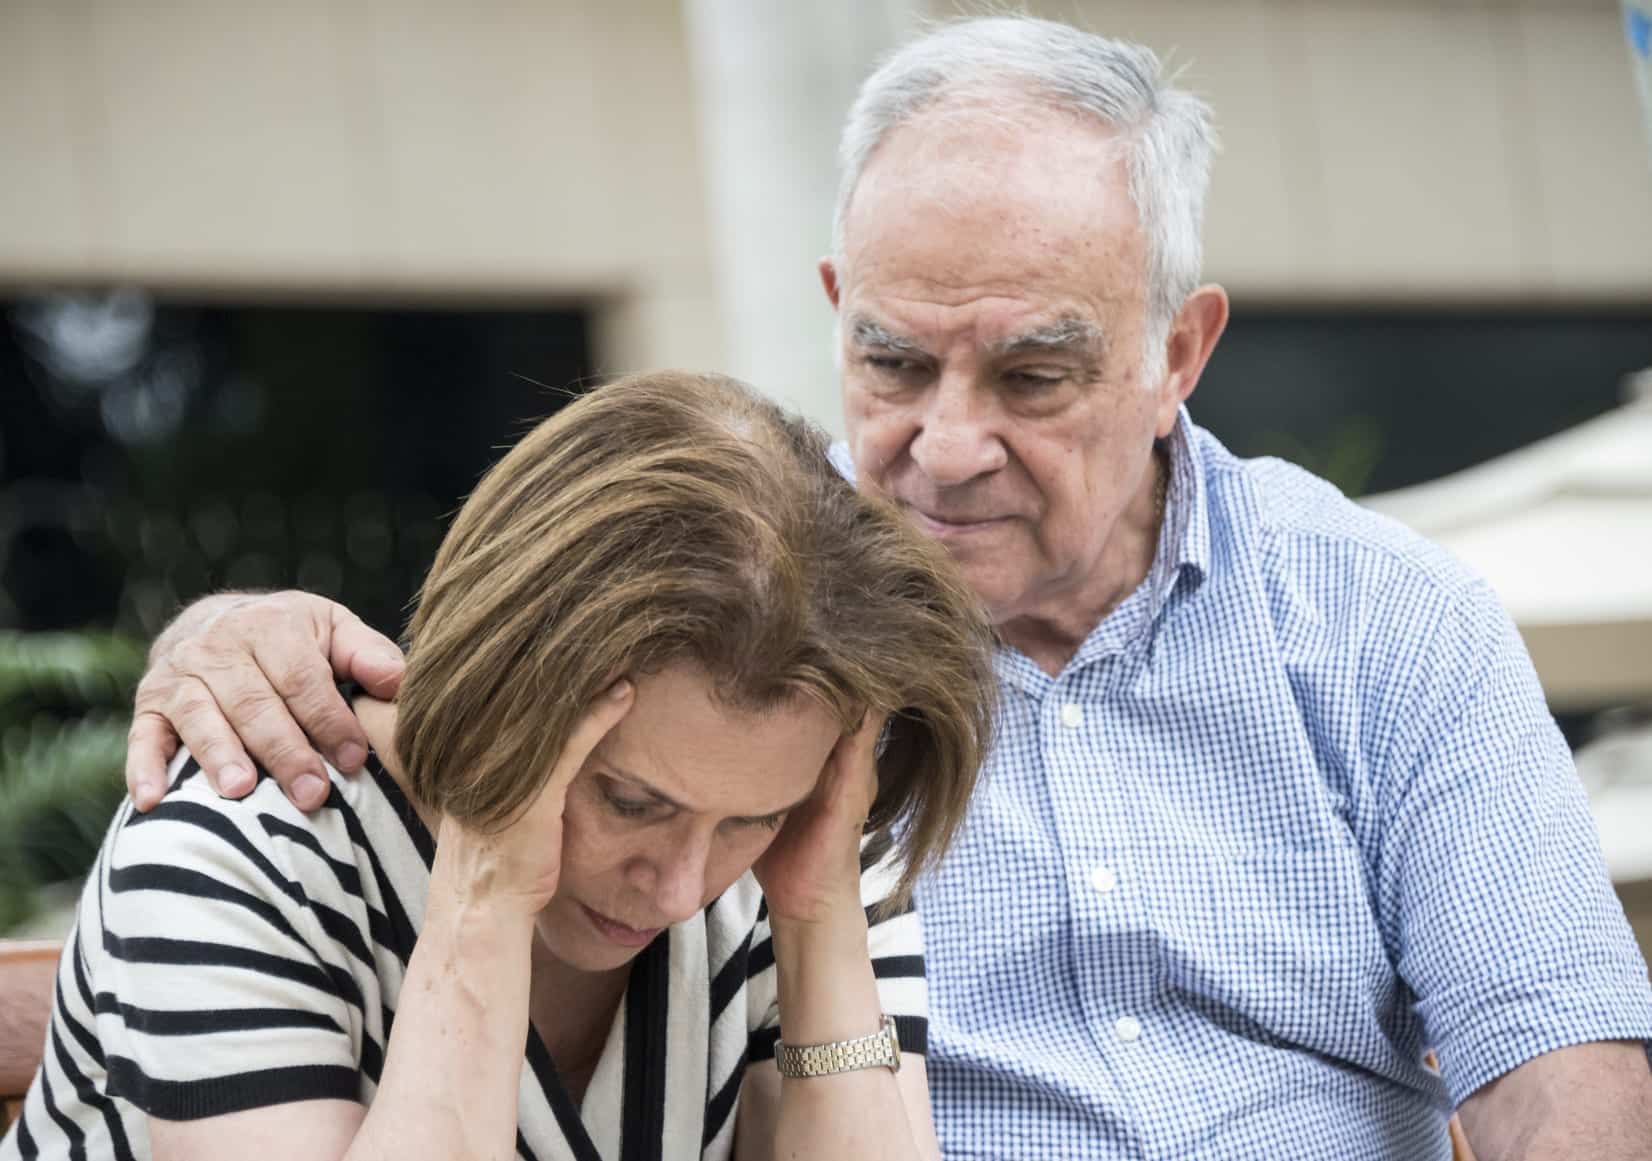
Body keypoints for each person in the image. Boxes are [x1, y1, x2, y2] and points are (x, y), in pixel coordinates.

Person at [105, 14, 1652, 1161]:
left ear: (1178, 353)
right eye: (894, 361)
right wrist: (219, 631)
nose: (948, 444)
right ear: (836, 308)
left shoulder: (1390, 621)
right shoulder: (751, 638)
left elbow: (1558, 1071)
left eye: (1034, 371)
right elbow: (496, 699)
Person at [1, 370, 998, 1161]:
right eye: (630, 800)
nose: (685, 884)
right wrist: (482, 894)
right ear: (502, 691)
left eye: (748, 821)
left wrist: (820, 919)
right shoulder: (241, 853)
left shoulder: (808, 836)